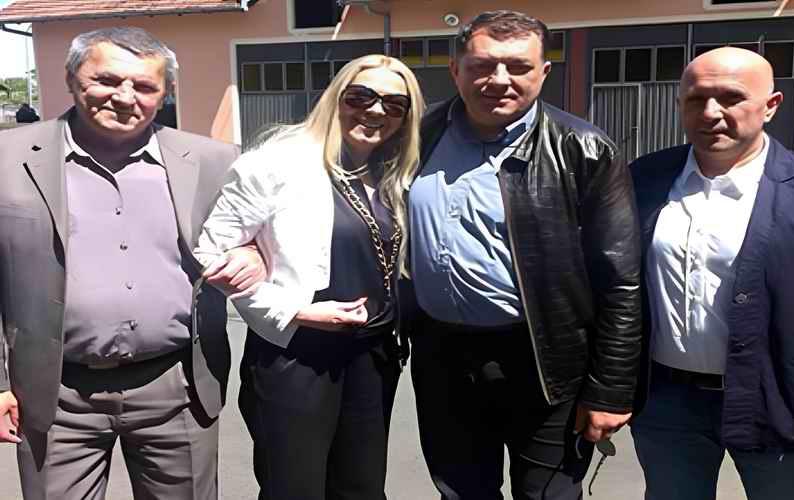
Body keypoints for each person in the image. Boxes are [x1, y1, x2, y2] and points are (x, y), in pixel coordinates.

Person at [0, 27, 264, 499]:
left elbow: (262, 238)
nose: (124, 97)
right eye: (106, 80)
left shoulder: (215, 162)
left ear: (167, 92)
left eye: (144, 85)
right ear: (71, 78)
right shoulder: (8, 159)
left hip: (177, 389)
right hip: (52, 395)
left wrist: (252, 254)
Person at [403, 10, 642, 500]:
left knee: (547, 495)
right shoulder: (416, 137)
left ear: (543, 72)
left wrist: (611, 388)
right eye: (482, 65)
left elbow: (620, 279)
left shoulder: (584, 149)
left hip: (545, 359)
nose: (499, 80)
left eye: (518, 67)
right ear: (456, 70)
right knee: (461, 492)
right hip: (443, 358)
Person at [194, 54, 425, 500]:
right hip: (297, 355)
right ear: (335, 97)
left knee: (361, 489)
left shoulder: (396, 171)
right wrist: (295, 311)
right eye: (361, 96)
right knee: (294, 489)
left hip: (372, 356)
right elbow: (211, 252)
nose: (376, 110)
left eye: (395, 104)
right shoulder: (279, 161)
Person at [629, 46, 794, 499]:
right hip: (668, 403)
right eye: (696, 99)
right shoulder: (644, 179)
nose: (710, 112)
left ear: (771, 105)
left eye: (730, 97)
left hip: (776, 399)